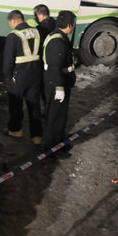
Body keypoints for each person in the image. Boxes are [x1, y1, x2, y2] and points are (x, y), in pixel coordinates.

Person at [3, 10, 43, 144]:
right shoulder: (37, 32)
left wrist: (8, 77)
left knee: (16, 104)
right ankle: (37, 136)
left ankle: (16, 130)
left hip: (19, 76)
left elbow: (8, 61)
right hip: (36, 74)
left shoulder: (13, 36)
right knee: (34, 105)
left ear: (13, 21)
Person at [42, 10, 77, 154]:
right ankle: (52, 148)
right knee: (56, 118)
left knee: (57, 116)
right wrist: (59, 88)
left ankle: (57, 141)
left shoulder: (55, 35)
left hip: (53, 82)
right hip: (56, 84)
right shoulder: (58, 42)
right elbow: (55, 67)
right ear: (69, 25)